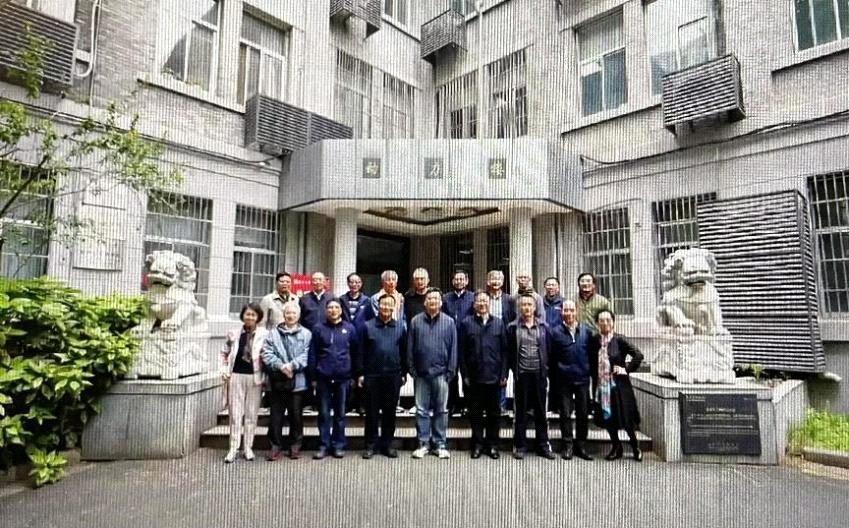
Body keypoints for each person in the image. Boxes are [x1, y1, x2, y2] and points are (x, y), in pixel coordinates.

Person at [407, 288, 457, 459]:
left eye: (436, 299)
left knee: (441, 410)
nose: (433, 301)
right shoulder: (415, 321)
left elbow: (453, 348)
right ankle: (423, 443)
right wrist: (412, 369)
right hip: (421, 374)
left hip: (442, 374)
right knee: (421, 410)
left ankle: (440, 444)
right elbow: (410, 347)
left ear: (441, 303)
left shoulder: (449, 322)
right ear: (425, 302)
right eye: (430, 298)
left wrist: (451, 370)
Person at [458, 290, 508, 460]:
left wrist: (504, 374)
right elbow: (462, 352)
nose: (482, 304)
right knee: (476, 414)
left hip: (494, 377)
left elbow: (505, 351)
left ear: (490, 303)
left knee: (494, 414)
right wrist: (464, 374)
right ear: (474, 304)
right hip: (474, 378)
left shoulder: (499, 324)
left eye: (485, 301)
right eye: (479, 301)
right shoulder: (466, 324)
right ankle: (477, 445)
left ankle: (492, 445)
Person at [588, 309, 644, 461]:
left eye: (608, 320)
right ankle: (616, 447)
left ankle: (635, 446)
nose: (605, 323)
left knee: (626, 419)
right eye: (601, 320)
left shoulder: (620, 340)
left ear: (613, 322)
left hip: (619, 387)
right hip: (602, 387)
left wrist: (626, 369)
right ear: (597, 323)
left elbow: (638, 355)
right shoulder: (595, 340)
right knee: (608, 419)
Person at [357, 294, 408, 459]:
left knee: (390, 413)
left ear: (394, 307)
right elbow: (360, 352)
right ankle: (370, 445)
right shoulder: (367, 326)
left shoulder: (400, 327)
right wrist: (360, 373)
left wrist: (404, 373)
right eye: (383, 304)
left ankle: (387, 444)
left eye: (389, 305)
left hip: (393, 376)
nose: (386, 307)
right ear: (378, 307)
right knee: (371, 412)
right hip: (372, 375)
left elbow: (404, 352)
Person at [506, 294, 556, 460]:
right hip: (522, 375)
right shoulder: (512, 327)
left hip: (539, 375)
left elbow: (549, 350)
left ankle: (543, 445)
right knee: (520, 412)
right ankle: (520, 445)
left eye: (529, 305)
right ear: (519, 308)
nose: (526, 308)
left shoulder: (544, 327)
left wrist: (546, 370)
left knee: (541, 412)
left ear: (535, 308)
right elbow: (509, 351)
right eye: (523, 305)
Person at [308, 298, 358, 459]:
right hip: (323, 377)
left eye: (336, 307)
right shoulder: (318, 329)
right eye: (330, 307)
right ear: (326, 311)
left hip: (343, 378)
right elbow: (313, 353)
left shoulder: (349, 328)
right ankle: (324, 445)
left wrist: (355, 375)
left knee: (340, 414)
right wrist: (313, 377)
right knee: (323, 414)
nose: (333, 310)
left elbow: (355, 352)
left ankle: (338, 445)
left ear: (341, 310)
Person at [261, 301, 310, 461]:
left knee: (296, 416)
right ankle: (275, 446)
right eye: (288, 313)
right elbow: (266, 353)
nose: (290, 316)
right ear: (283, 315)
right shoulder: (273, 334)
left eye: (294, 313)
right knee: (276, 417)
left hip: (298, 381)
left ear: (298, 315)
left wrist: (292, 366)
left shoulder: (306, 334)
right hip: (277, 381)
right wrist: (281, 366)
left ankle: (295, 446)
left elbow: (307, 354)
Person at [219, 302, 268, 463]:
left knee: (251, 414)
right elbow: (224, 352)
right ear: (243, 316)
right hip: (236, 376)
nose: (250, 317)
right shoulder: (233, 333)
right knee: (235, 414)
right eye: (248, 314)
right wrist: (224, 369)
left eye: (253, 315)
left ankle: (248, 447)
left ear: (258, 317)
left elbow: (267, 355)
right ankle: (233, 448)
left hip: (255, 377)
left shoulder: (265, 334)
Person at [548, 299, 593, 460]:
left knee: (582, 414)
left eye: (572, 310)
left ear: (576, 311)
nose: (569, 313)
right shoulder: (554, 332)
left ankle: (581, 446)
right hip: (563, 380)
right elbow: (551, 357)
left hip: (582, 379)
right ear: (561, 312)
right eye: (566, 310)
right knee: (565, 414)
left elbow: (591, 355)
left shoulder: (586, 332)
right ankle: (567, 445)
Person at [442, 270, 475, 416]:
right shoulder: (446, 298)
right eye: (456, 279)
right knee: (452, 372)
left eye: (462, 279)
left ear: (466, 281)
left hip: (467, 339)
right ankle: (453, 404)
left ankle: (468, 404)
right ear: (452, 281)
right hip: (450, 339)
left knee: (467, 372)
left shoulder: (472, 298)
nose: (459, 282)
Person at [340, 272, 371, 415]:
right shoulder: (341, 300)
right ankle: (347, 403)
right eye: (352, 282)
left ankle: (361, 404)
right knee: (347, 373)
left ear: (361, 284)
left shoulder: (367, 301)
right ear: (348, 284)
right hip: (345, 340)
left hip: (362, 341)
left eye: (357, 282)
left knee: (361, 373)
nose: (354, 285)